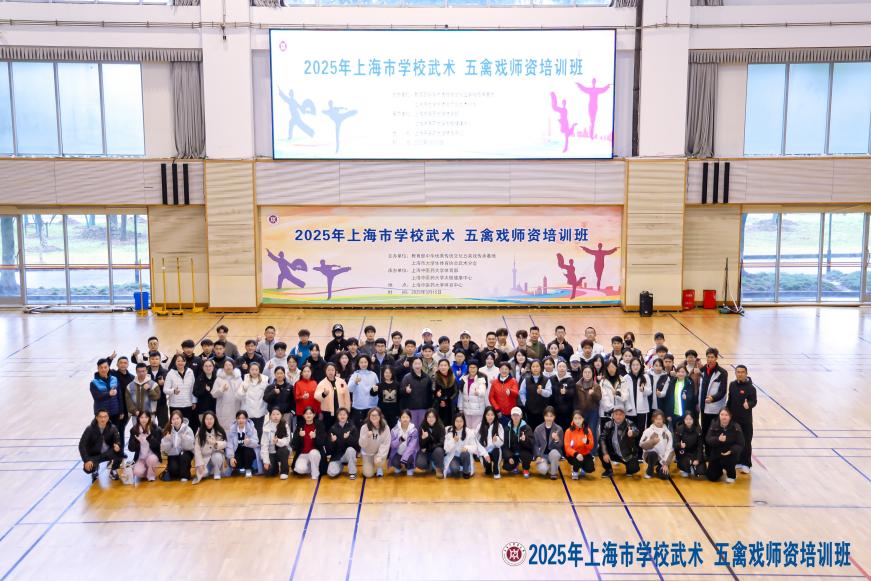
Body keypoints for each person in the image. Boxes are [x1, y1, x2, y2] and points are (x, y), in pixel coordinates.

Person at [90, 358, 128, 458]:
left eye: (105, 367)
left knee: (117, 434)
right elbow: (96, 397)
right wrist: (108, 394)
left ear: (108, 368)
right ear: (98, 368)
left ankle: (119, 453)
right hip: (102, 415)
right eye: (101, 367)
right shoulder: (94, 382)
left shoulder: (114, 379)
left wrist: (121, 411)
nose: (103, 369)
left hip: (115, 413)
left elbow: (119, 396)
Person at [79, 409, 123, 482]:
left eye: (105, 416)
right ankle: (95, 471)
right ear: (96, 417)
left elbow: (117, 440)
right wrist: (86, 460)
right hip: (94, 455)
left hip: (108, 453)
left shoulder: (113, 428)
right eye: (100, 417)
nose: (103, 419)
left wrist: (117, 445)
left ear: (108, 417)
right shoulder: (89, 429)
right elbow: (81, 445)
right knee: (88, 469)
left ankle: (113, 471)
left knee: (120, 454)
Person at [699, 347, 729, 454]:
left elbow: (723, 391)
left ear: (716, 358)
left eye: (712, 357)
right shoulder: (701, 370)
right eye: (708, 357)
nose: (710, 359)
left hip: (715, 409)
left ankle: (714, 454)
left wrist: (713, 398)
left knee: (715, 432)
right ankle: (706, 453)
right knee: (705, 430)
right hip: (703, 408)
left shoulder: (722, 373)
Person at [728, 365, 757, 474]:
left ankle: (746, 464)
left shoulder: (751, 388)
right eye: (738, 372)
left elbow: (754, 401)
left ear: (746, 373)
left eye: (742, 372)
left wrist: (748, 404)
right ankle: (738, 461)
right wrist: (727, 412)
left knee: (746, 442)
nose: (740, 374)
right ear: (735, 373)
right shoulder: (732, 385)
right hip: (734, 420)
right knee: (735, 441)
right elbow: (730, 400)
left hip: (746, 421)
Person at [705, 408, 745, 483]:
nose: (724, 417)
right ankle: (719, 471)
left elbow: (741, 443)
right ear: (719, 415)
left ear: (730, 416)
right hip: (716, 454)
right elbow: (708, 439)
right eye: (722, 414)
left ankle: (731, 475)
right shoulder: (714, 424)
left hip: (730, 454)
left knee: (728, 462)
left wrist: (731, 451)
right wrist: (717, 439)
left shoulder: (736, 427)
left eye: (726, 415)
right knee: (711, 477)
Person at [599, 405, 640, 477]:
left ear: (624, 415)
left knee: (633, 469)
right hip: (613, 452)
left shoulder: (629, 423)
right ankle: (608, 470)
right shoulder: (608, 424)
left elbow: (636, 431)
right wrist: (605, 453)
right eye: (616, 414)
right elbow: (602, 438)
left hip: (627, 455)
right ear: (613, 415)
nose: (618, 416)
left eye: (620, 414)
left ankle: (629, 467)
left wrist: (632, 432)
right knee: (600, 450)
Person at [164, 354, 198, 433]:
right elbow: (165, 390)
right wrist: (173, 391)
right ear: (175, 362)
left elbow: (193, 388)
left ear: (185, 362)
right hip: (175, 405)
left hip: (188, 404)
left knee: (187, 427)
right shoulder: (170, 373)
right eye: (178, 361)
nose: (180, 363)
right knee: (176, 427)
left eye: (183, 361)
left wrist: (194, 401)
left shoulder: (190, 372)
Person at [160, 409, 195, 482]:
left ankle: (185, 475)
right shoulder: (168, 430)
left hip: (186, 453)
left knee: (184, 456)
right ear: (171, 420)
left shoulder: (188, 429)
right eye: (173, 419)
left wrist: (185, 439)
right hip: (173, 454)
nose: (175, 421)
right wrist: (167, 440)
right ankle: (176, 471)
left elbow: (191, 447)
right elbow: (165, 450)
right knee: (173, 469)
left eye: (177, 418)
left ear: (181, 419)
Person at [193, 411, 227, 484]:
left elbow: (225, 444)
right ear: (204, 420)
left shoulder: (219, 430)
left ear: (214, 419)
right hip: (204, 459)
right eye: (207, 419)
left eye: (211, 419)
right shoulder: (199, 432)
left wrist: (215, 443)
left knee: (217, 456)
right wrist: (200, 464)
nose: (209, 421)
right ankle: (209, 470)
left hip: (216, 455)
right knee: (204, 474)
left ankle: (217, 472)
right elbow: (197, 450)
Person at [237, 361, 269, 439]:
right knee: (248, 431)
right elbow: (239, 396)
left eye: (256, 370)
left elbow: (268, 395)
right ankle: (247, 445)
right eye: (252, 369)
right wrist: (244, 390)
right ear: (249, 370)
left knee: (259, 430)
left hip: (260, 410)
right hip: (248, 411)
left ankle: (258, 444)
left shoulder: (264, 381)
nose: (254, 372)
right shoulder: (245, 380)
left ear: (259, 370)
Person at [316, 362, 351, 431]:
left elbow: (347, 397)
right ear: (325, 371)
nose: (330, 372)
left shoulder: (341, 381)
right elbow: (317, 396)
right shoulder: (322, 383)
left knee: (340, 430)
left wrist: (347, 410)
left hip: (341, 411)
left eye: (332, 370)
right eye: (328, 370)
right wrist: (324, 394)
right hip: (327, 412)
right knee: (328, 430)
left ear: (335, 371)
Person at [400, 357, 433, 429]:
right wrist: (405, 390)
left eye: (419, 363)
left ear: (422, 365)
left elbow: (430, 393)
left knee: (422, 429)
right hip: (411, 409)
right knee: (412, 429)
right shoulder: (407, 377)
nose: (417, 366)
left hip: (424, 408)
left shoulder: (427, 377)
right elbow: (400, 392)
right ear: (412, 365)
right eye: (415, 364)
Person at [129, 410, 161, 483]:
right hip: (141, 458)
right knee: (137, 472)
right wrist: (137, 442)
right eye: (141, 417)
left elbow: (157, 445)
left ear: (149, 418)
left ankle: (151, 475)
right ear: (138, 418)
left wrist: (149, 438)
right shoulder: (134, 430)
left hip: (152, 456)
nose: (144, 419)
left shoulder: (154, 428)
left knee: (152, 459)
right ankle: (146, 469)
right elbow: (130, 448)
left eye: (146, 417)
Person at [327, 408, 359, 479]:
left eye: (344, 414)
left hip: (347, 455)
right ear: (337, 416)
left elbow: (356, 446)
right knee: (331, 473)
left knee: (351, 450)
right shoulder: (333, 428)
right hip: (337, 456)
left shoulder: (352, 427)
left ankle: (352, 472)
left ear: (347, 416)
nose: (342, 416)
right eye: (340, 414)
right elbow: (329, 449)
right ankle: (339, 466)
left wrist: (348, 437)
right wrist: (332, 441)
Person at [519, 359, 552, 429]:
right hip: (530, 410)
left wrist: (542, 392)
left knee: (541, 429)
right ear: (530, 368)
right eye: (533, 366)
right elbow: (522, 392)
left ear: (541, 367)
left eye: (537, 366)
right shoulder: (526, 379)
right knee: (530, 428)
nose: (535, 368)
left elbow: (549, 393)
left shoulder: (546, 379)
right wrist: (525, 403)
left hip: (542, 411)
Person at [640, 410, 673, 479]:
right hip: (650, 456)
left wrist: (665, 464)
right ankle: (649, 471)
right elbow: (641, 444)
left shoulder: (668, 433)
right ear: (653, 419)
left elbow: (670, 449)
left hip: (663, 459)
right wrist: (652, 442)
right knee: (653, 454)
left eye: (660, 419)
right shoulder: (648, 431)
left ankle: (659, 468)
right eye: (656, 419)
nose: (658, 421)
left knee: (665, 476)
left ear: (663, 419)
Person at [533, 406, 564, 480]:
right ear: (544, 416)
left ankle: (553, 473)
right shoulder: (538, 429)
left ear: (554, 417)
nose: (549, 418)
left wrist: (557, 440)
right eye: (547, 416)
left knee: (555, 453)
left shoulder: (559, 429)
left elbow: (561, 445)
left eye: (551, 416)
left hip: (552, 454)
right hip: (542, 455)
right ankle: (550, 467)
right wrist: (537, 456)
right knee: (543, 470)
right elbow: (535, 444)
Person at [502, 407, 534, 478]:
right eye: (514, 415)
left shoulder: (527, 428)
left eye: (517, 415)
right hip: (513, 452)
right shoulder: (507, 429)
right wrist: (509, 457)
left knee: (526, 456)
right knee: (507, 466)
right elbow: (505, 446)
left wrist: (525, 440)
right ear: (511, 416)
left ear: (521, 416)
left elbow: (531, 444)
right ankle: (516, 463)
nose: (515, 417)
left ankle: (526, 469)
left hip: (523, 451)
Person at [359, 407, 391, 478]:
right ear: (369, 416)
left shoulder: (385, 428)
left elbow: (386, 444)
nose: (374, 417)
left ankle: (379, 467)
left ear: (380, 416)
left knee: (378, 461)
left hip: (378, 454)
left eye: (376, 415)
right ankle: (371, 465)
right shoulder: (364, 427)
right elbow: (362, 444)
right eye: (372, 415)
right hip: (368, 454)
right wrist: (366, 436)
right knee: (368, 474)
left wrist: (380, 456)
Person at [348, 355, 379, 428]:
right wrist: (355, 382)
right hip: (358, 406)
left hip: (371, 406)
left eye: (365, 362)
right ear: (358, 364)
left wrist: (375, 390)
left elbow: (378, 389)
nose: (363, 364)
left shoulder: (373, 374)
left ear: (368, 363)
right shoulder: (355, 375)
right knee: (359, 428)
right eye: (361, 362)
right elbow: (349, 389)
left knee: (372, 428)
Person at [458, 361, 488, 431]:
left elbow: (483, 391)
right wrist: (460, 408)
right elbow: (461, 395)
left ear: (477, 368)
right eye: (470, 367)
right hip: (466, 410)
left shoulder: (481, 379)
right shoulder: (464, 378)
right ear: (468, 368)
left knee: (476, 430)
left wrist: (478, 392)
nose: (472, 369)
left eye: (474, 367)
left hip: (477, 410)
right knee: (467, 430)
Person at [226, 410, 258, 477]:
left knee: (247, 452)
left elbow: (256, 442)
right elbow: (229, 445)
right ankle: (237, 468)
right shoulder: (232, 430)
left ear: (246, 419)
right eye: (239, 418)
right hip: (237, 451)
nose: (241, 420)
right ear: (236, 419)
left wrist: (249, 441)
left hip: (248, 450)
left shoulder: (251, 428)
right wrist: (231, 457)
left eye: (243, 418)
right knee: (234, 461)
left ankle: (248, 469)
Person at [444, 412, 476, 479]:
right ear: (454, 422)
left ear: (464, 422)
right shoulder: (449, 431)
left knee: (465, 453)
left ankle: (466, 472)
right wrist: (453, 441)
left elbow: (475, 447)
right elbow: (446, 449)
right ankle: (459, 467)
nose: (459, 423)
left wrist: (466, 448)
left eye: (461, 421)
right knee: (454, 469)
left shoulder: (469, 432)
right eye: (457, 421)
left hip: (464, 456)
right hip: (454, 457)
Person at [564, 411, 595, 479]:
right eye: (575, 418)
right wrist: (576, 454)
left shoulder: (588, 430)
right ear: (572, 419)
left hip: (584, 454)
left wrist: (587, 442)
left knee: (590, 469)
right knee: (577, 461)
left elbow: (591, 447)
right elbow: (567, 447)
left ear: (583, 419)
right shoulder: (568, 431)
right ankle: (575, 471)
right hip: (573, 455)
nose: (577, 421)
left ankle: (581, 467)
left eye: (579, 418)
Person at [262, 408, 291, 480]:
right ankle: (275, 466)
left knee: (283, 450)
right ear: (270, 416)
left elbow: (287, 441)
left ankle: (284, 471)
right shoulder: (266, 427)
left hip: (281, 450)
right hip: (271, 453)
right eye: (273, 414)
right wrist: (266, 461)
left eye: (278, 414)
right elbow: (264, 446)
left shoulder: (285, 425)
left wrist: (278, 441)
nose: (275, 416)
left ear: (281, 415)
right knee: (268, 473)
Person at [264, 366, 296, 433]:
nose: (279, 375)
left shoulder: (290, 387)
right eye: (277, 373)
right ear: (275, 375)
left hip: (286, 414)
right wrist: (273, 393)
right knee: (273, 433)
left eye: (281, 373)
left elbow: (293, 401)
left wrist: (292, 412)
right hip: (273, 414)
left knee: (286, 433)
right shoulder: (270, 387)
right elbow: (265, 399)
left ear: (284, 374)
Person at [214, 359, 242, 432]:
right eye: (226, 365)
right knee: (223, 430)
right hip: (223, 409)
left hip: (235, 407)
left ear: (233, 366)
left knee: (235, 429)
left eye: (230, 365)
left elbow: (242, 394)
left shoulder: (238, 378)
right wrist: (221, 390)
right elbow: (214, 394)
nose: (228, 367)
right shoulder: (219, 379)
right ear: (223, 367)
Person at [415, 409, 446, 477]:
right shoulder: (422, 427)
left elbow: (442, 443)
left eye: (433, 417)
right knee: (419, 463)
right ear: (426, 418)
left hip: (436, 451)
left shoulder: (441, 427)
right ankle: (430, 465)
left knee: (439, 450)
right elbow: (422, 447)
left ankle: (439, 469)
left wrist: (430, 447)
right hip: (426, 452)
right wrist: (423, 439)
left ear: (436, 417)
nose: (431, 419)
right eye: (429, 417)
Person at [389, 410, 419, 476]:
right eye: (403, 417)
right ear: (400, 418)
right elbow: (392, 445)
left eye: (407, 417)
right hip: (398, 453)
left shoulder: (414, 430)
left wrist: (404, 459)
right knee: (394, 461)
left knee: (409, 460)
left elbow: (411, 447)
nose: (405, 419)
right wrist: (399, 440)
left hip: (409, 454)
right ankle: (398, 467)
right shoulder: (394, 430)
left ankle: (410, 468)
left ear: (410, 419)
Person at [476, 407, 504, 479]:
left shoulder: (499, 426)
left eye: (492, 415)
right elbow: (476, 442)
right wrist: (485, 454)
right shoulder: (480, 426)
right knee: (487, 471)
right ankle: (488, 468)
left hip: (495, 450)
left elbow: (502, 442)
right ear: (485, 416)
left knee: (496, 450)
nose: (490, 417)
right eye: (488, 415)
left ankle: (496, 469)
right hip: (484, 451)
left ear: (495, 416)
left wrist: (496, 440)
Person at [489, 362, 519, 429]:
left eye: (506, 369)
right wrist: (497, 408)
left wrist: (511, 392)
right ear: (499, 370)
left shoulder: (513, 381)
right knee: (498, 430)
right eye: (502, 369)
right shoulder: (495, 382)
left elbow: (516, 394)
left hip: (510, 413)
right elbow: (491, 397)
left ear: (509, 370)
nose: (504, 371)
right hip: (498, 412)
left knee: (509, 430)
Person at [673, 412, 703, 478]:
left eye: (690, 419)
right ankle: (685, 468)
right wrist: (680, 445)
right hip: (684, 453)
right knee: (685, 472)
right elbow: (674, 444)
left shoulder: (698, 429)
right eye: (686, 419)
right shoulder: (679, 429)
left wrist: (698, 459)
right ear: (684, 420)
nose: (688, 421)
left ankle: (692, 466)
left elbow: (700, 446)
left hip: (694, 453)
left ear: (693, 420)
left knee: (701, 471)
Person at [146, 350, 169, 426]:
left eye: (156, 359)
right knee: (148, 426)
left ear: (160, 360)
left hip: (162, 403)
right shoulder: (145, 372)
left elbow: (170, 387)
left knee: (164, 426)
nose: (154, 361)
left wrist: (164, 384)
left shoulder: (166, 372)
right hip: (148, 403)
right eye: (152, 359)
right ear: (149, 360)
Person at [552, 360, 576, 430]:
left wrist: (566, 392)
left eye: (563, 366)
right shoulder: (552, 378)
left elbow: (574, 393)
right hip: (555, 411)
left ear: (566, 368)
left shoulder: (570, 380)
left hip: (567, 412)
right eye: (559, 366)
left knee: (566, 429)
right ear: (556, 368)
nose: (561, 368)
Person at [193, 358, 218, 426]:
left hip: (215, 409)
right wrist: (204, 390)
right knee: (204, 428)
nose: (208, 368)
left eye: (210, 366)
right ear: (203, 367)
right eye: (206, 366)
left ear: (213, 367)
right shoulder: (199, 379)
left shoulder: (217, 378)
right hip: (203, 410)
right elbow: (195, 392)